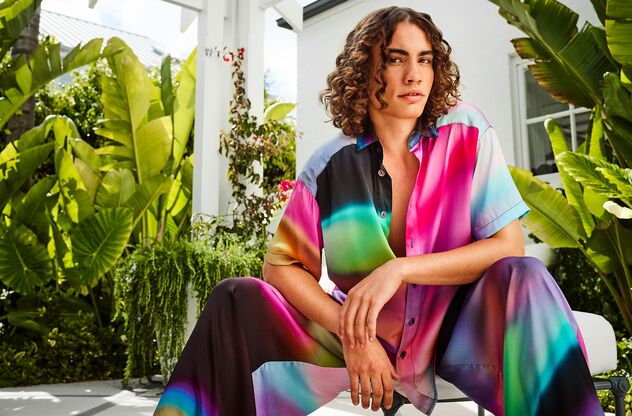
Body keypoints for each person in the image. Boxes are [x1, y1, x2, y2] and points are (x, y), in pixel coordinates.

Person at [154, 6, 604, 416]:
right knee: (234, 296)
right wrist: (355, 337)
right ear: (363, 69)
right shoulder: (328, 166)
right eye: (396, 58)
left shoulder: (467, 132)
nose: (415, 75)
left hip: (455, 331)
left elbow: (507, 244)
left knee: (525, 274)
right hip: (360, 337)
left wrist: (400, 270)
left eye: (425, 59)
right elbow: (281, 268)